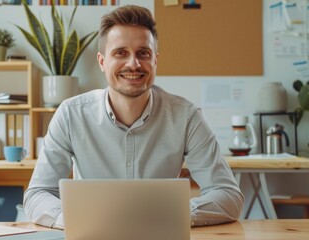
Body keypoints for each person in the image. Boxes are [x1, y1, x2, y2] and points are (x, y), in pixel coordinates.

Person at [24, 5, 244, 229]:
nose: (133, 64)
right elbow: (37, 195)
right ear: (102, 61)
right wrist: (81, 220)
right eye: (120, 52)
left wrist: (171, 216)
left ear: (155, 60)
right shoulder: (71, 114)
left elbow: (228, 196)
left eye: (143, 53)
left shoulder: (186, 116)